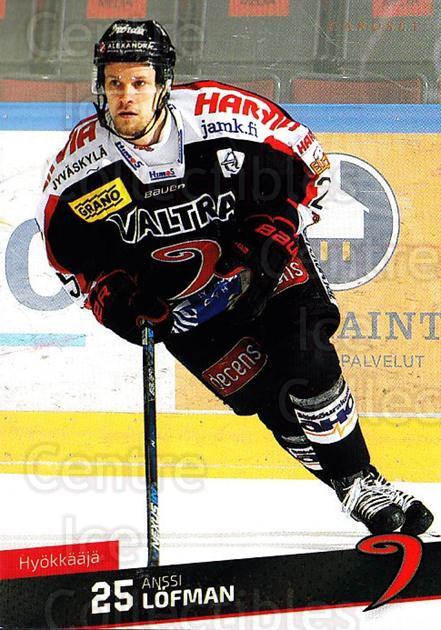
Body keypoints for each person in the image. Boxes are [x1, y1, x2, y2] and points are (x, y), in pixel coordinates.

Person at [36, 19, 433, 536]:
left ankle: (359, 484)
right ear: (100, 86)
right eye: (114, 83)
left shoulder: (223, 115)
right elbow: (76, 265)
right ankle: (356, 484)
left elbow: (311, 166)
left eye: (139, 81)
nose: (126, 96)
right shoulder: (78, 170)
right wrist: (120, 304)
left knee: (307, 355)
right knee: (270, 402)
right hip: (184, 310)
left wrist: (273, 235)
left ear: (163, 82)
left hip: (261, 269)